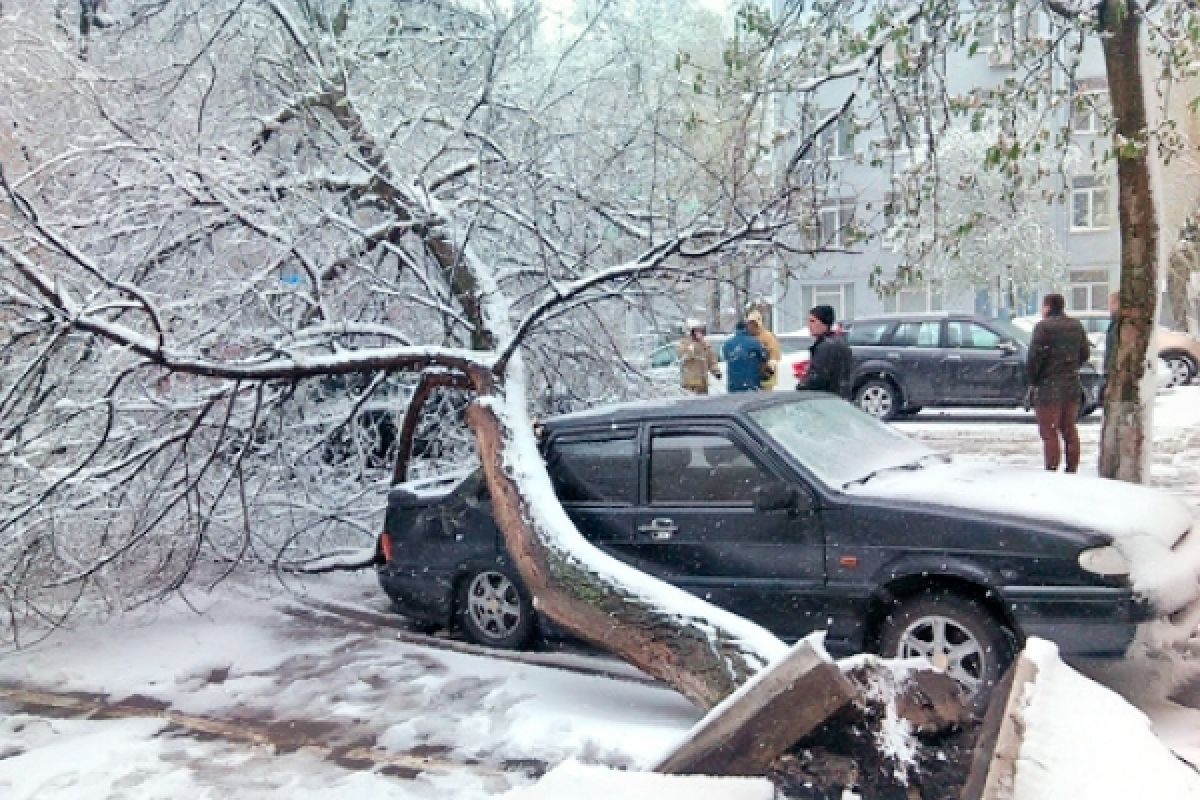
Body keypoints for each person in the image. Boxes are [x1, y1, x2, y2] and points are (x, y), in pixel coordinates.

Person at [1026, 293, 1090, 473]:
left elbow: (1034, 358)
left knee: (1049, 432)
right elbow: (1085, 354)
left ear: (1047, 306)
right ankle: (1072, 468)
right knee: (1069, 429)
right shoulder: (1076, 325)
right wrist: (1070, 366)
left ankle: (1052, 469)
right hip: (1071, 385)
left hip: (1048, 387)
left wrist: (1033, 380)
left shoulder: (1043, 327)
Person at [801, 304, 852, 399]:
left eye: (813, 321)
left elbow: (817, 379)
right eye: (808, 321)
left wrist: (801, 386)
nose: (809, 325)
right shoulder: (840, 342)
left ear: (824, 323)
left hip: (826, 399)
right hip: (841, 398)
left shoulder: (825, 347)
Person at [722, 319, 767, 392]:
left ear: (736, 329)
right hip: (751, 382)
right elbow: (763, 357)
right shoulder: (755, 342)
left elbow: (726, 357)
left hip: (733, 383)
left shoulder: (727, 344)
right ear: (746, 328)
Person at [677, 319, 721, 394]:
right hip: (690, 383)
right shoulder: (684, 343)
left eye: (700, 331)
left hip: (703, 382)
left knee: (703, 400)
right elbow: (683, 356)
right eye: (697, 331)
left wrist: (716, 371)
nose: (699, 333)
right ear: (691, 332)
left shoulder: (705, 344)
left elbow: (711, 360)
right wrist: (693, 347)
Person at [745, 309, 781, 390]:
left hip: (766, 377)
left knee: (765, 395)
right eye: (749, 323)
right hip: (753, 377)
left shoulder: (768, 336)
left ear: (758, 323)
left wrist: (769, 368)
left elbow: (775, 354)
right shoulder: (748, 337)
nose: (751, 326)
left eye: (753, 323)